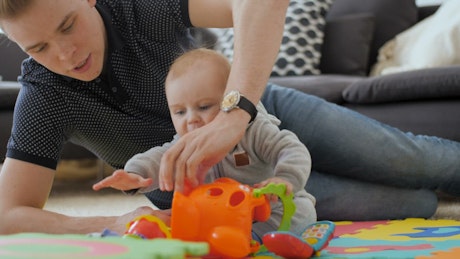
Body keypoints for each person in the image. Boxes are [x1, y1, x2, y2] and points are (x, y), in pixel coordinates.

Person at [1, 0, 460, 235]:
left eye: (67, 26)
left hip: (264, 112)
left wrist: (233, 113)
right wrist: (105, 222)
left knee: (412, 160)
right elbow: (7, 213)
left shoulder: (140, 9)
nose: (65, 54)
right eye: (37, 48)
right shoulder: (46, 95)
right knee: (410, 205)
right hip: (225, 192)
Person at [92, 48, 317, 240]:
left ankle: (251, 240)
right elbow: (159, 157)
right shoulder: (185, 143)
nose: (191, 119)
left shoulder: (253, 131)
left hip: (274, 209)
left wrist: (285, 178)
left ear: (229, 101)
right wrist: (134, 174)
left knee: (299, 214)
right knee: (188, 222)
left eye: (204, 107)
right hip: (221, 216)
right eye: (180, 111)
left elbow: (292, 149)